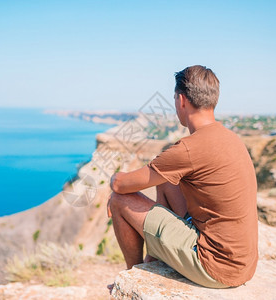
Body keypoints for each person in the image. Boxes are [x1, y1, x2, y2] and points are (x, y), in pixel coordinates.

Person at [107, 65, 258, 289]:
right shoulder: (230, 138)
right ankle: (153, 261)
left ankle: (133, 278)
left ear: (181, 100)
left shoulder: (189, 148)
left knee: (119, 201)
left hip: (214, 266)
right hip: (242, 263)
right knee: (167, 182)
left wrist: (114, 178)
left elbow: (121, 185)